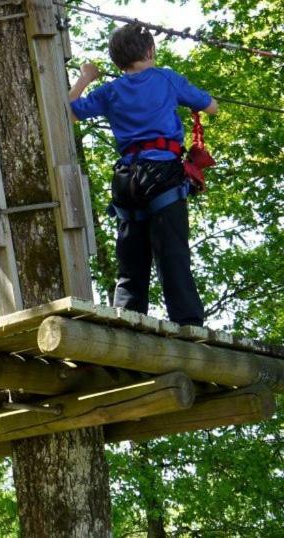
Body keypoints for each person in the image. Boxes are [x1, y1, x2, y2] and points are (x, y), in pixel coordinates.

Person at [69, 23, 217, 326]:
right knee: (172, 253)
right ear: (151, 51)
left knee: (131, 261)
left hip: (127, 180)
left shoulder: (109, 91)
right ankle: (189, 323)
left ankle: (126, 321)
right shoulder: (166, 78)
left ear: (117, 61)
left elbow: (70, 110)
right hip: (163, 174)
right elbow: (211, 107)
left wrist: (85, 77)